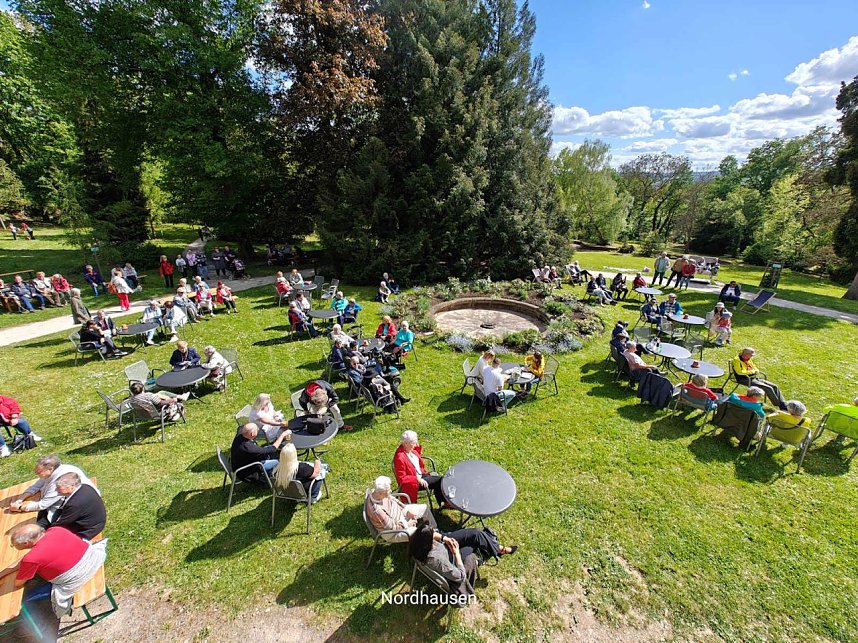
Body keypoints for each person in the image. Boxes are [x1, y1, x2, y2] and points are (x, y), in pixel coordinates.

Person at [0, 524, 108, 618]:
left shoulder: (32, 558)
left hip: (78, 576)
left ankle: (35, 624)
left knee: (26, 597)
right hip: (93, 558)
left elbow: (18, 583)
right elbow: (26, 560)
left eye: (13, 545)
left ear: (25, 543)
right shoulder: (56, 530)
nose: (14, 546)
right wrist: (4, 572)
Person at [408, 520, 517, 597]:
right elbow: (460, 576)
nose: (434, 535)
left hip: (445, 546)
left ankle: (497, 549)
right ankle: (499, 550)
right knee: (474, 545)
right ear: (427, 543)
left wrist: (444, 538)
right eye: (432, 536)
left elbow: (431, 535)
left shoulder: (418, 541)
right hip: (452, 558)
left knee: (476, 533)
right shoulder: (436, 560)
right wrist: (457, 554)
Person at [9, 456, 97, 528]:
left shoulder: (60, 482)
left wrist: (19, 508)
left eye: (39, 472)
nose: (37, 474)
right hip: (63, 502)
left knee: (34, 529)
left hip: (72, 509)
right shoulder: (54, 471)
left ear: (50, 469)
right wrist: (21, 499)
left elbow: (43, 505)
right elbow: (37, 485)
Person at [364, 476, 435, 543]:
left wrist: (406, 511)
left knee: (424, 508)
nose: (391, 491)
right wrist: (407, 524)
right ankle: (435, 539)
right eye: (388, 490)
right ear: (380, 493)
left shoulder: (377, 493)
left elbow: (393, 500)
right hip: (393, 533)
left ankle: (434, 529)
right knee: (420, 533)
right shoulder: (377, 511)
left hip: (398, 515)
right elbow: (392, 528)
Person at [392, 431, 446, 506]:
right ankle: (444, 503)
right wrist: (417, 479)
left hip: (420, 475)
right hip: (412, 483)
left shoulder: (410, 450)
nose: (415, 444)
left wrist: (416, 446)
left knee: (438, 480)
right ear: (405, 443)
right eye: (413, 443)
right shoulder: (400, 458)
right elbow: (402, 478)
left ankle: (442, 502)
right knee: (439, 480)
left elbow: (414, 458)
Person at [47, 473, 106, 540]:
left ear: (72, 486)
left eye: (59, 488)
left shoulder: (74, 504)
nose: (56, 490)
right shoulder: (85, 487)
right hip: (95, 521)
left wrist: (49, 531)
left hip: (87, 529)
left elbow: (61, 524)